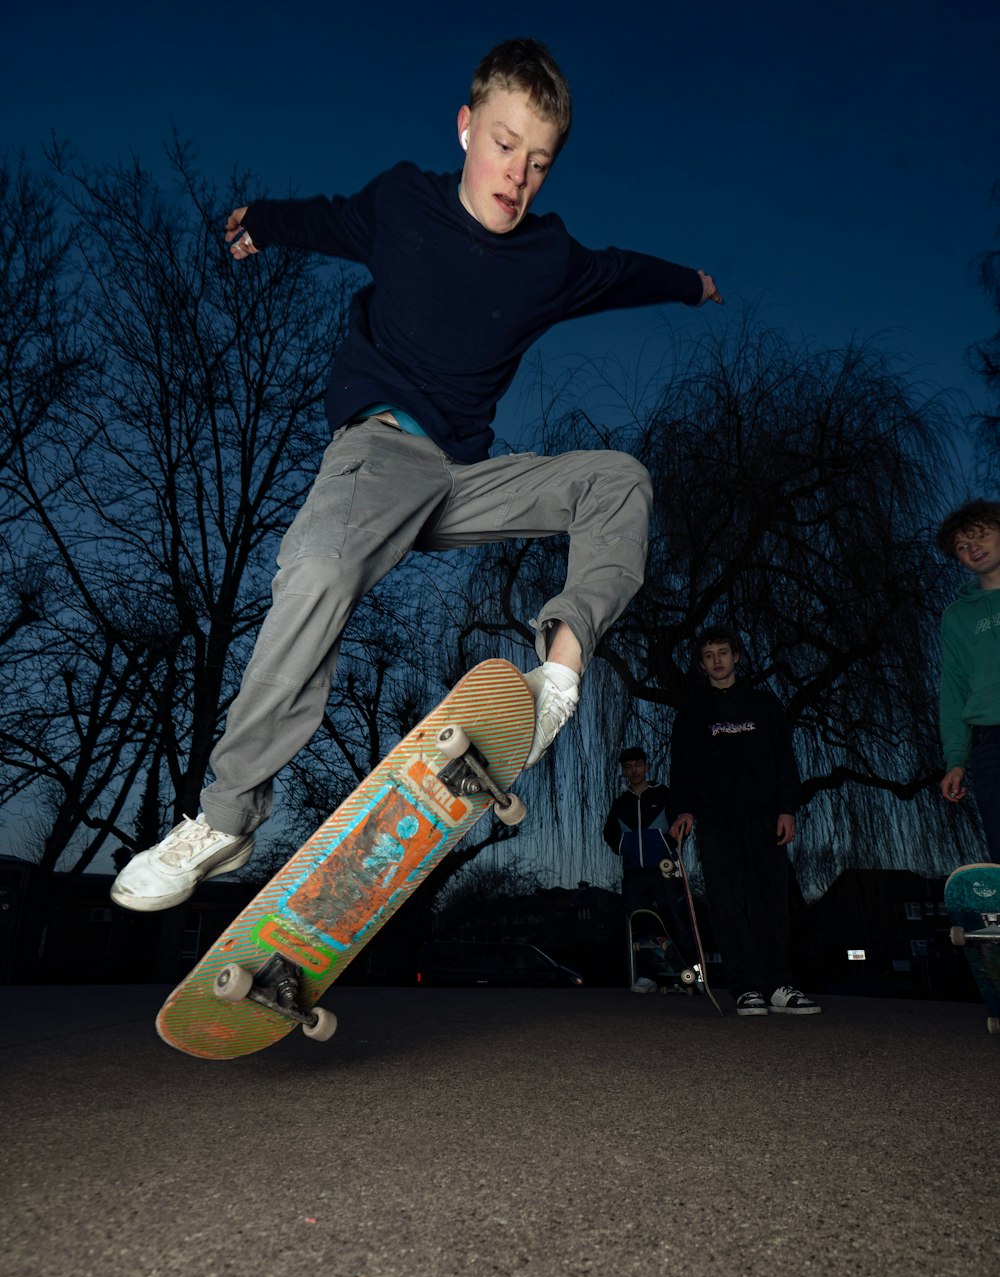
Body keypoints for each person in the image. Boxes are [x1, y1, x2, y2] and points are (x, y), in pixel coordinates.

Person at [111, 37, 723, 913]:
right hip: (381, 457)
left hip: (465, 478)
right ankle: (226, 816)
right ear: (468, 127)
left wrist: (691, 285)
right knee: (318, 570)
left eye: (540, 162)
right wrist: (259, 222)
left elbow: (623, 271)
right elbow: (323, 217)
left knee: (617, 478)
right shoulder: (401, 203)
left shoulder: (550, 259)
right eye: (506, 145)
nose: (518, 176)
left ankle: (557, 676)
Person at [668, 629, 819, 1017]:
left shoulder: (764, 704)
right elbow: (683, 768)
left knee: (770, 899)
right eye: (709, 655)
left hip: (765, 816)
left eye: (723, 653)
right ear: (701, 664)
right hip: (716, 821)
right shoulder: (693, 711)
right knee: (728, 902)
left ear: (737, 656)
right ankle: (746, 987)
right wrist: (683, 810)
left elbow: (784, 759)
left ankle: (779, 985)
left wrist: (788, 808)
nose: (717, 660)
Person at [936, 498, 1000, 863]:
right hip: (991, 740)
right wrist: (956, 761)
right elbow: (954, 691)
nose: (972, 548)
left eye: (980, 536)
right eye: (962, 546)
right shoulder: (956, 618)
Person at [602, 746, 693, 993]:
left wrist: (666, 843)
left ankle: (688, 977)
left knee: (678, 921)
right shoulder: (621, 803)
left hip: (666, 868)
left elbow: (682, 825)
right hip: (635, 872)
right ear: (623, 770)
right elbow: (609, 833)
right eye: (628, 767)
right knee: (642, 923)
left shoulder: (663, 794)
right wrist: (625, 846)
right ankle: (649, 976)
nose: (633, 771)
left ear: (647, 766)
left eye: (638, 765)